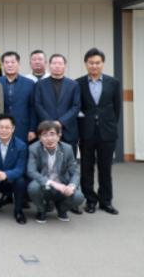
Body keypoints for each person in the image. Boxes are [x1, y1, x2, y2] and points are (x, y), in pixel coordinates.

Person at [77, 48, 121, 215]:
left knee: (105, 168)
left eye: (97, 63)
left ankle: (106, 201)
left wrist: (109, 125)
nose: (94, 66)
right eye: (91, 63)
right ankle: (90, 200)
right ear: (86, 64)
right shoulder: (78, 83)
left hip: (107, 132)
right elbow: (78, 107)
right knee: (86, 168)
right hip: (86, 132)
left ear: (103, 64)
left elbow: (116, 108)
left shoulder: (113, 83)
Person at [27, 121, 85, 223]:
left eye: (52, 134)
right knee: (33, 187)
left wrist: (71, 186)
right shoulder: (33, 148)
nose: (49, 138)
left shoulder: (67, 149)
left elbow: (75, 172)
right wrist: (53, 183)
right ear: (40, 138)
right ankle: (41, 210)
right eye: (44, 135)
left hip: (62, 185)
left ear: (59, 136)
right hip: (45, 186)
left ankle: (62, 209)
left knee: (78, 196)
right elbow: (31, 171)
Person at [34, 54, 81, 157]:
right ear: (49, 65)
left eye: (60, 63)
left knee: (69, 162)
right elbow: (38, 105)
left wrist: (61, 122)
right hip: (46, 130)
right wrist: (51, 123)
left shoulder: (73, 84)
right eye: (54, 63)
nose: (57, 66)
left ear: (65, 65)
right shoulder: (40, 84)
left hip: (68, 130)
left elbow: (76, 106)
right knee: (47, 162)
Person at [0, 51, 37, 144]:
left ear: (18, 64)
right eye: (6, 62)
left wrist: (32, 129)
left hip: (23, 127)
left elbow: (33, 108)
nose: (10, 65)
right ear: (2, 65)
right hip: (2, 128)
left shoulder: (29, 83)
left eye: (13, 62)